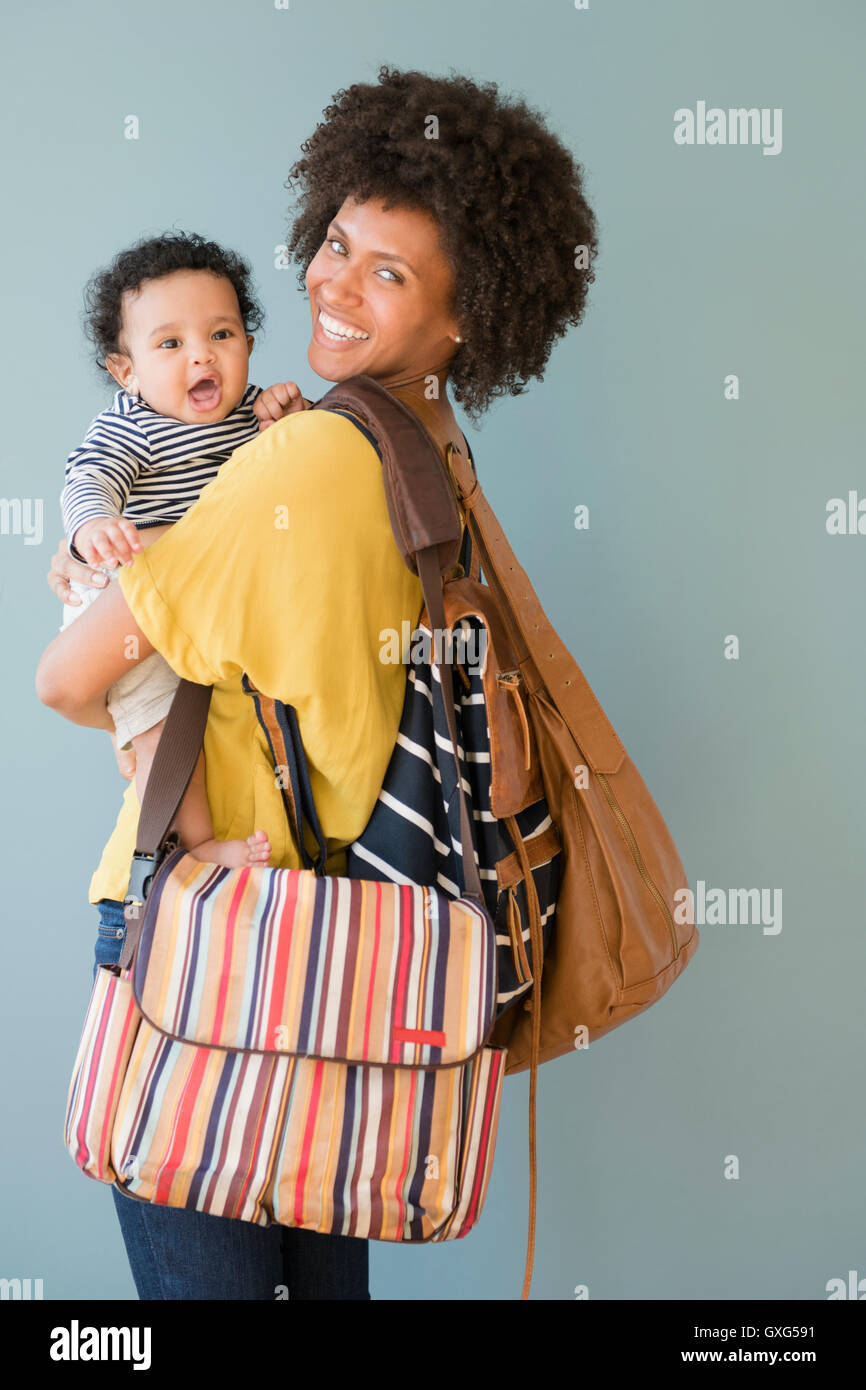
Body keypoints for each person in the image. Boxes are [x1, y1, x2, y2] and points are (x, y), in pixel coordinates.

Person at [36, 63, 599, 1301]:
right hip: (336, 954)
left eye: (387, 273)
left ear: (466, 321)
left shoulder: (301, 458)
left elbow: (68, 674)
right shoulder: (427, 456)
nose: (333, 284)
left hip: (215, 925)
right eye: (335, 243)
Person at [59, 230, 310, 869]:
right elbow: (90, 475)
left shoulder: (251, 415)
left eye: (222, 336)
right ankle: (197, 848)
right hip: (129, 588)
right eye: (170, 344)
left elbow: (281, 479)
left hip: (198, 599)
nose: (201, 357)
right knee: (161, 733)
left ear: (249, 346)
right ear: (127, 371)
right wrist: (92, 528)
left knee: (182, 721)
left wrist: (289, 411)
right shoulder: (133, 423)